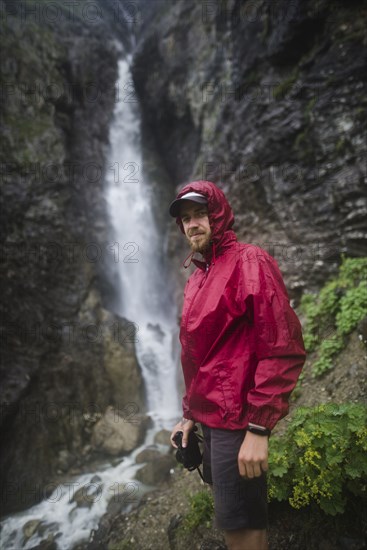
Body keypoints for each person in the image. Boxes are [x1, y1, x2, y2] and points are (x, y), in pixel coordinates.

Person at [169, 180, 306, 550]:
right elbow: (205, 358)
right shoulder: (198, 277)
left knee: (241, 526)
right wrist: (190, 414)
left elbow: (282, 347)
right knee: (236, 521)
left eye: (200, 214)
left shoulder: (250, 262)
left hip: (240, 422)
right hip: (213, 420)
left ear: (218, 214)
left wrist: (259, 429)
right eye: (185, 218)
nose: (193, 224)